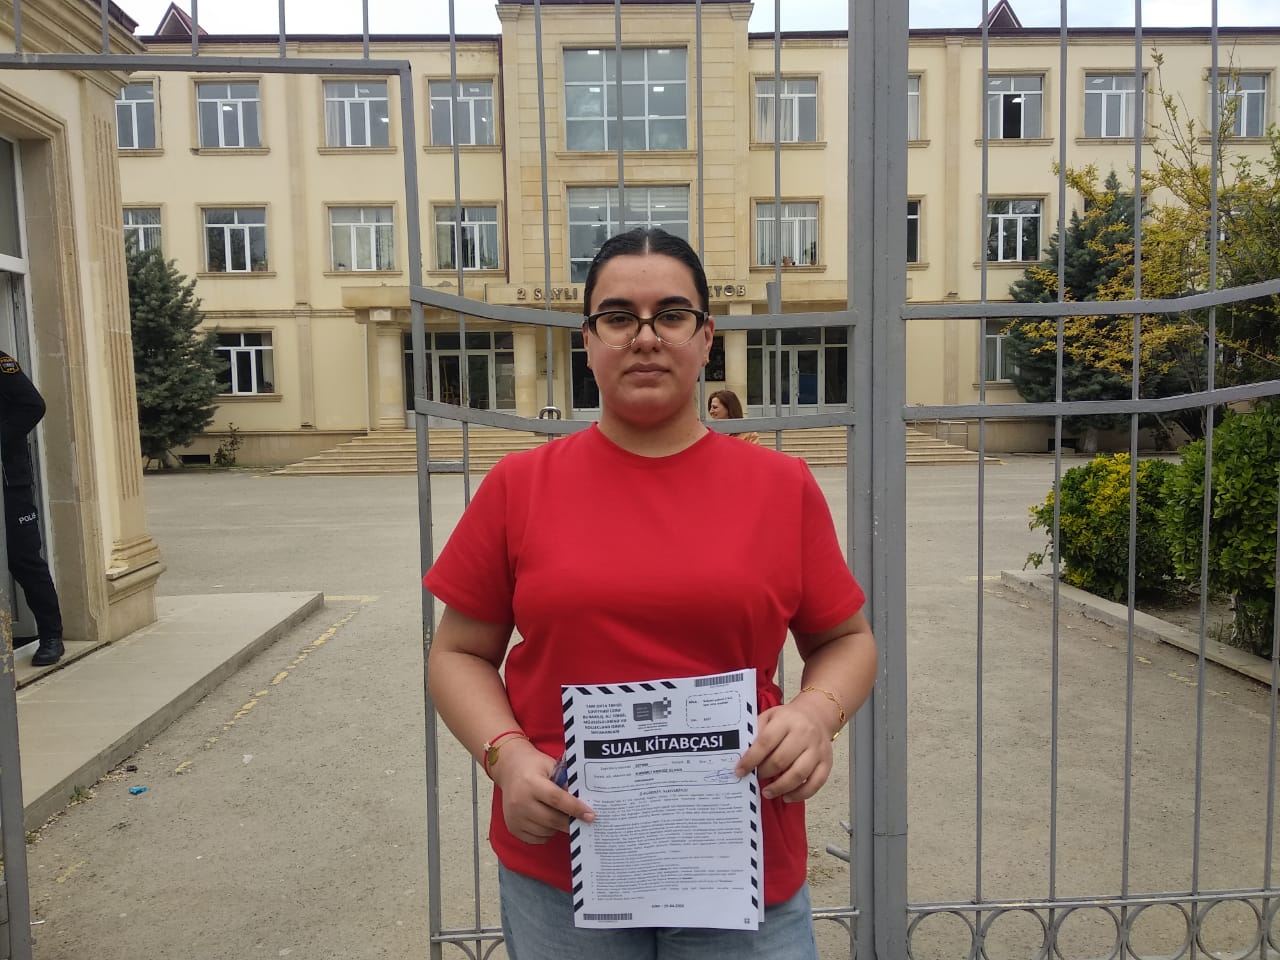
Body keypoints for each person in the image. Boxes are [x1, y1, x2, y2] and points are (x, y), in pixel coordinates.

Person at [424, 227, 876, 959]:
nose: (644, 337)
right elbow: (457, 654)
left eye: (671, 315)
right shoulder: (519, 487)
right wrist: (504, 755)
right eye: (617, 317)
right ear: (588, 340)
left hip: (739, 861)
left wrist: (816, 715)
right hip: (562, 863)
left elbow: (847, 641)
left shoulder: (779, 487)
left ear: (706, 337)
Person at [0, 350, 64, 666]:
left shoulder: (0, 363)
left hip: (8, 484)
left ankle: (51, 636)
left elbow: (33, 406)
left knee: (24, 559)